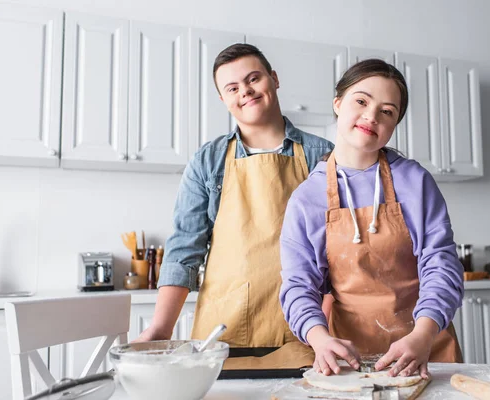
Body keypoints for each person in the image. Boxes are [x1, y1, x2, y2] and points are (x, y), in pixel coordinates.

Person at [135, 44, 334, 348]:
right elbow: (184, 249)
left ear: (274, 79)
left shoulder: (322, 155)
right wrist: (161, 329)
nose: (245, 91)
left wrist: (326, 323)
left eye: (254, 79)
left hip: (310, 327)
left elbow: (341, 250)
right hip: (223, 329)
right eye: (232, 87)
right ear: (223, 99)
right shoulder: (207, 161)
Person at [279, 59, 463, 378]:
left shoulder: (415, 182)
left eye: (387, 111)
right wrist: (318, 338)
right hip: (350, 361)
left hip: (426, 351)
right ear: (338, 103)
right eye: (361, 101)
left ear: (393, 126)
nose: (371, 116)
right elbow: (298, 285)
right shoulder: (307, 198)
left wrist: (423, 335)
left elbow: (441, 265)